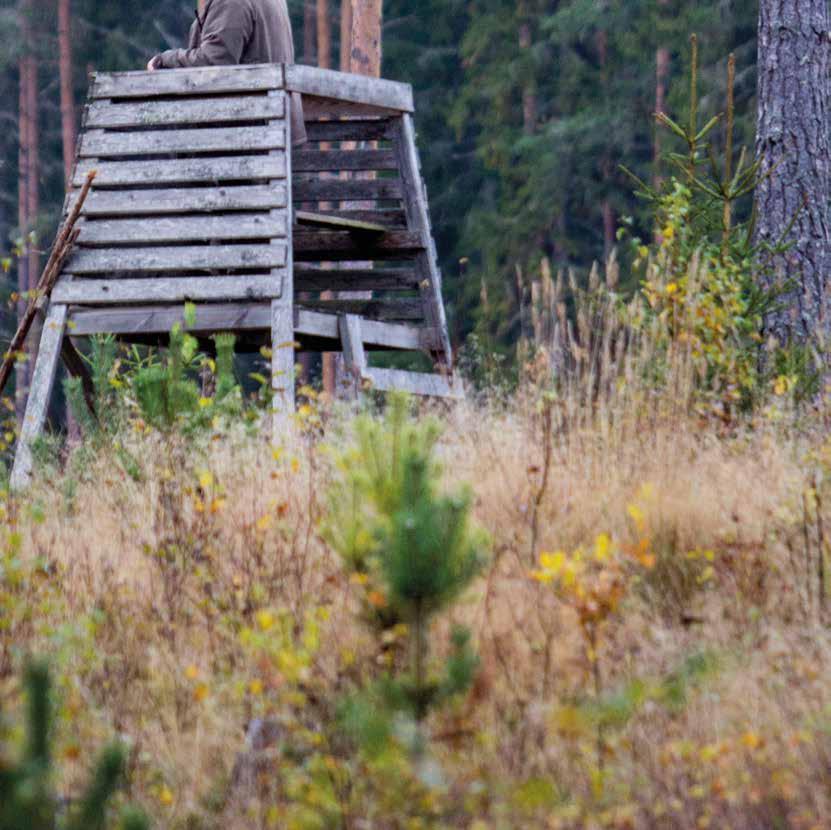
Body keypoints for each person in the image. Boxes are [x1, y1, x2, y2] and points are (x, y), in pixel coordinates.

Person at [147, 0, 306, 145]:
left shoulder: (230, 2)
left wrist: (165, 60)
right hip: (270, 128)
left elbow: (214, 62)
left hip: (248, 133)